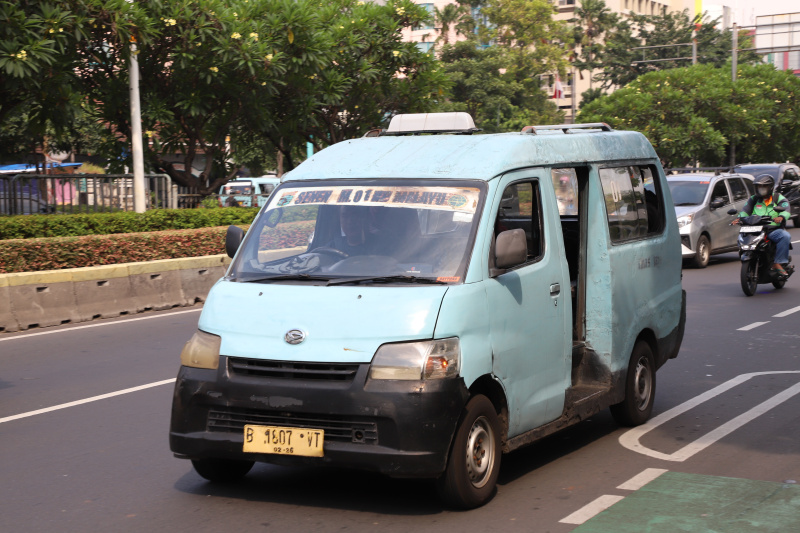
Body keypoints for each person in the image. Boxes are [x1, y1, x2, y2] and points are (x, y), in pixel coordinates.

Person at [733, 174, 793, 276]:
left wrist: (781, 217)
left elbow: (786, 209)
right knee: (742, 238)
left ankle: (778, 262)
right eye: (758, 187)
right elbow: (745, 211)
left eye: (764, 186)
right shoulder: (754, 199)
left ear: (770, 187)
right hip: (754, 229)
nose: (761, 189)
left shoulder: (778, 198)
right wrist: (739, 218)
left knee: (785, 236)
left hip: (772, 230)